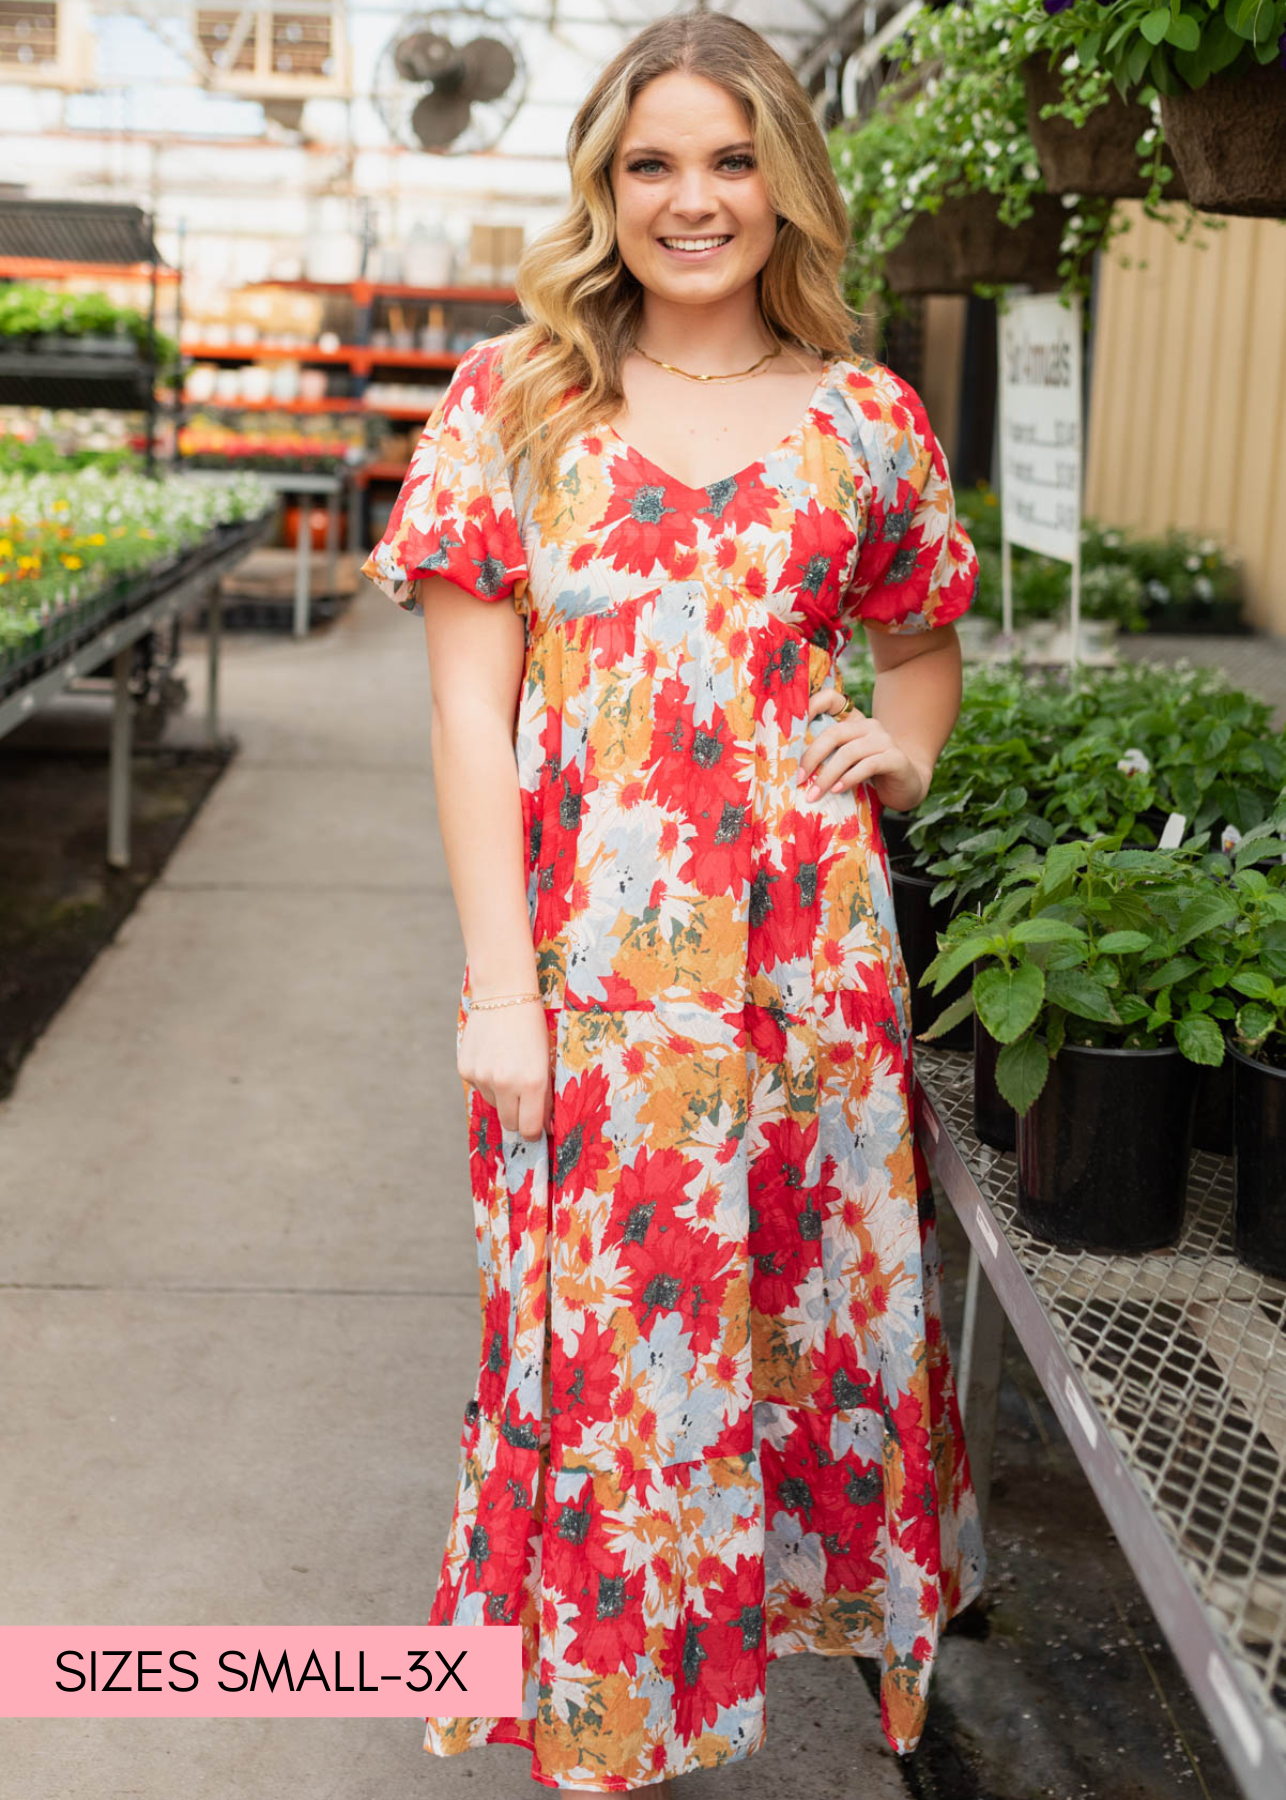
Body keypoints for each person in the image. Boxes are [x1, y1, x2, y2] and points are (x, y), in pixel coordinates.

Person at [361, 9, 986, 1792]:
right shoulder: (517, 400)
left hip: (812, 978)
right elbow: (467, 713)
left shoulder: (868, 415)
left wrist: (903, 757)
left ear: (786, 182)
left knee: (794, 1338)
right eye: (652, 163)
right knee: (608, 1363)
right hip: (588, 987)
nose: (691, 200)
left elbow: (920, 644)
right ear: (604, 185)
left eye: (730, 161)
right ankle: (609, 1735)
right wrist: (499, 992)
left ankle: (756, 1665)